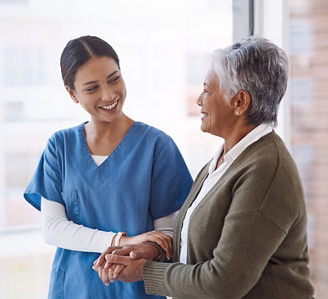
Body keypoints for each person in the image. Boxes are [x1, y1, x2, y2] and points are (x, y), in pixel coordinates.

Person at [94, 36, 315, 299]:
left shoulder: (265, 169)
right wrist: (154, 251)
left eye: (208, 90)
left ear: (240, 103)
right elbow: (204, 243)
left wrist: (146, 271)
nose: (199, 100)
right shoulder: (227, 159)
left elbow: (223, 283)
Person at [24, 35, 193, 299]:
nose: (108, 95)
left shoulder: (157, 146)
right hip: (73, 289)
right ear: (72, 94)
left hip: (135, 289)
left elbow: (165, 235)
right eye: (92, 88)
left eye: (114, 79)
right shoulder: (60, 147)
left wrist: (139, 250)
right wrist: (120, 241)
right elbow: (53, 228)